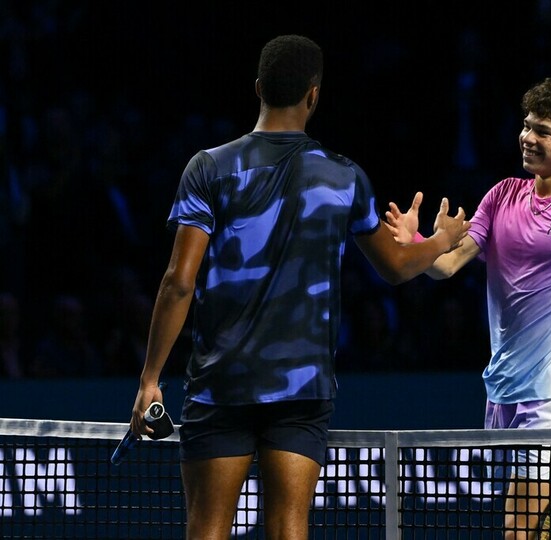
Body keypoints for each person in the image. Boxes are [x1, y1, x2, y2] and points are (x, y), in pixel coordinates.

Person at [127, 35, 469, 540]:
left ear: (258, 88)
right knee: (290, 528)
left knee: (206, 531)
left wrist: (150, 378)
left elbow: (179, 282)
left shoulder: (209, 168)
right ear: (314, 95)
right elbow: (397, 268)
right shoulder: (344, 176)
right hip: (302, 388)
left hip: (222, 384)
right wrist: (441, 239)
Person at [385, 77, 551, 538]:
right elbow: (447, 265)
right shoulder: (501, 195)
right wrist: (419, 243)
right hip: (504, 388)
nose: (527, 137)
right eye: (527, 126)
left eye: (543, 131)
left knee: (520, 525)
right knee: (545, 525)